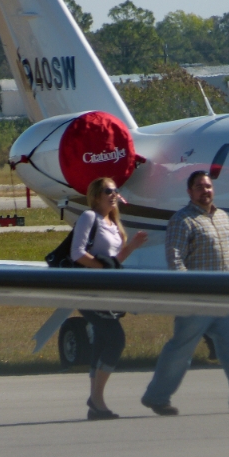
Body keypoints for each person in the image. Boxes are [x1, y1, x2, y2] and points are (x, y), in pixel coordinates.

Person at [141, 170, 229, 416]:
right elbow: (175, 257)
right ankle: (157, 397)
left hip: (226, 297)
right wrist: (187, 289)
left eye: (208, 186)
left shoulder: (222, 217)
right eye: (199, 187)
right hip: (198, 298)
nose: (205, 191)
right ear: (190, 192)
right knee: (181, 348)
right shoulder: (183, 219)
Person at [72, 177, 147, 420]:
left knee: (104, 341)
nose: (113, 195)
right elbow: (77, 253)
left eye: (116, 191)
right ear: (96, 196)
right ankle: (97, 398)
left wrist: (132, 247)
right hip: (90, 290)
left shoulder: (114, 224)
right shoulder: (89, 218)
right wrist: (102, 270)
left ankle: (96, 404)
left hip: (108, 291)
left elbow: (115, 261)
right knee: (115, 339)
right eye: (108, 191)